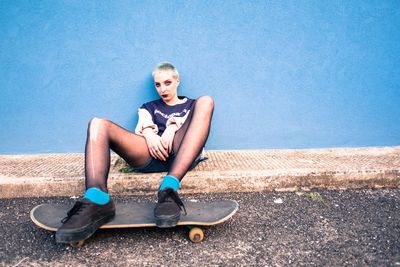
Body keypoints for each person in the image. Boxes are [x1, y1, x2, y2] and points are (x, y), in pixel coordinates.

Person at [55, 62, 214, 243]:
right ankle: (97, 198)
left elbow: (194, 127)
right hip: (150, 155)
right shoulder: (149, 107)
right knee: (97, 123)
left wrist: (171, 128)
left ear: (177, 81)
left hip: (182, 155)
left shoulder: (192, 105)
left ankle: (168, 189)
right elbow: (142, 125)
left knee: (206, 100)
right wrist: (148, 133)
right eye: (158, 84)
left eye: (168, 82)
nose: (162, 89)